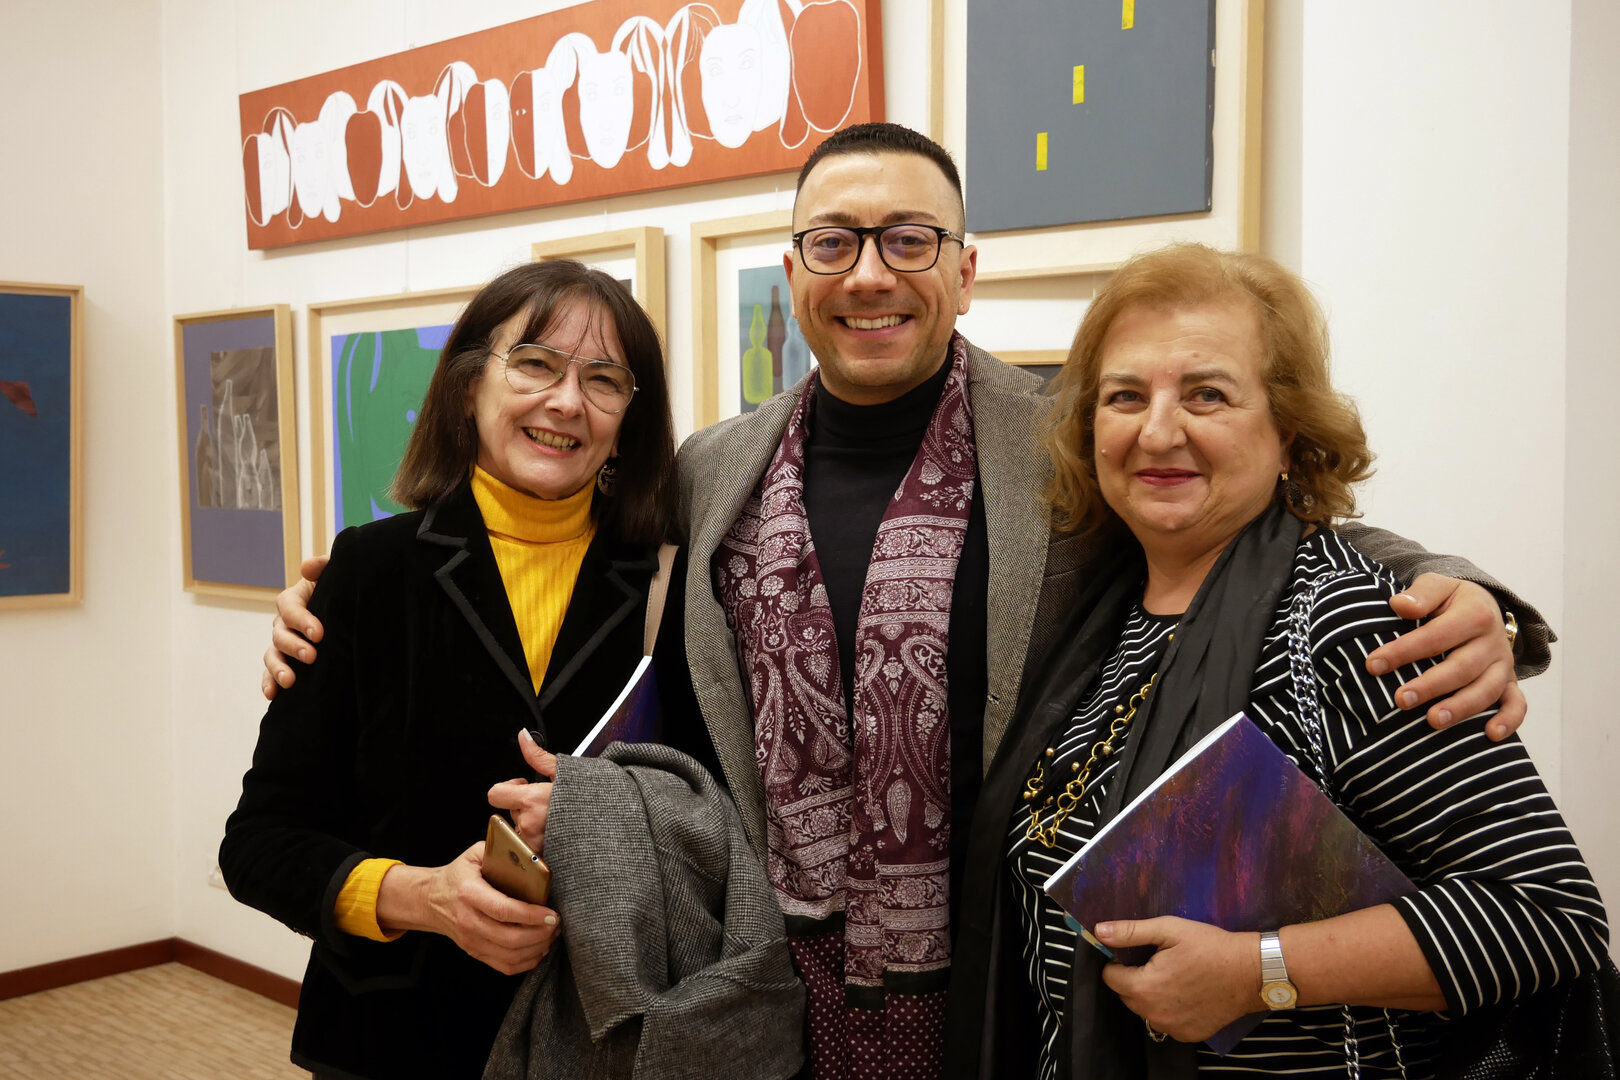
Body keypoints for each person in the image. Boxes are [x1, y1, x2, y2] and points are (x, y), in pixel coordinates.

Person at [263, 125, 1546, 1079]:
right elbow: (584, 597)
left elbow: (1242, 507)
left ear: (963, 269)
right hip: (764, 976)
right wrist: (335, 589)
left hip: (998, 978)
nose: (870, 272)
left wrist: (1465, 592)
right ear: (796, 272)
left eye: (908, 240)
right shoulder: (713, 468)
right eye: (834, 241)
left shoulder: (1062, 436)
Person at [947, 243, 1609, 1079]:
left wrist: (1257, 972)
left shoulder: (1346, 625)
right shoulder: (1093, 621)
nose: (1158, 430)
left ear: (1288, 431)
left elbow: (1546, 916)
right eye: (1125, 396)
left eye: (1207, 394)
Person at [220, 260, 681, 1079]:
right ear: (469, 386)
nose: (566, 402)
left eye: (604, 379)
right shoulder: (369, 572)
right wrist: (423, 897)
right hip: (395, 1033)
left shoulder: (673, 587)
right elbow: (259, 844)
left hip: (608, 1035)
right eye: (535, 364)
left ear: (627, 420)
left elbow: (716, 808)